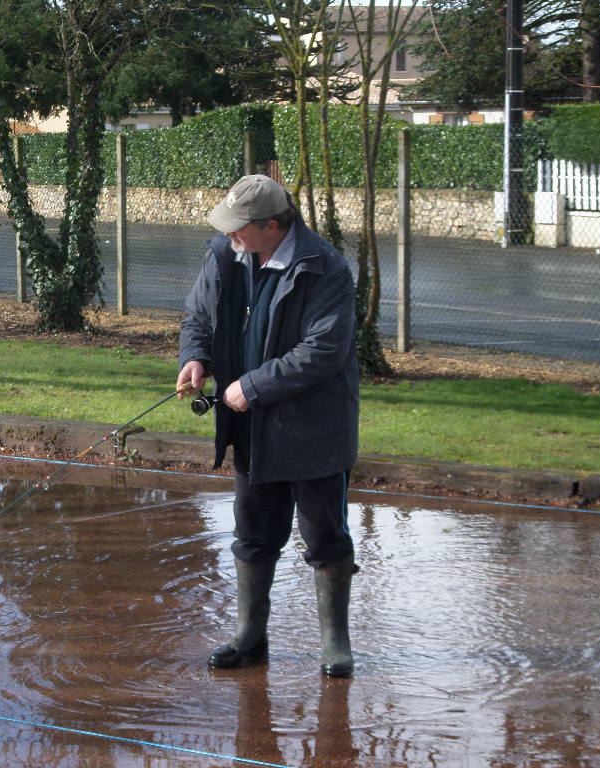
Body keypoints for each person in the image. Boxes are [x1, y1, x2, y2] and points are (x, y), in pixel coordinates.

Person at [176, 174, 360, 677]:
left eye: (239, 229)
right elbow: (198, 316)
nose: (230, 235)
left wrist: (250, 387)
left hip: (314, 429)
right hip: (248, 426)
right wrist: (196, 357)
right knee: (254, 532)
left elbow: (323, 350)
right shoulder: (224, 255)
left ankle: (334, 644)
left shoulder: (325, 268)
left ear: (272, 226)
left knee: (325, 535)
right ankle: (249, 636)